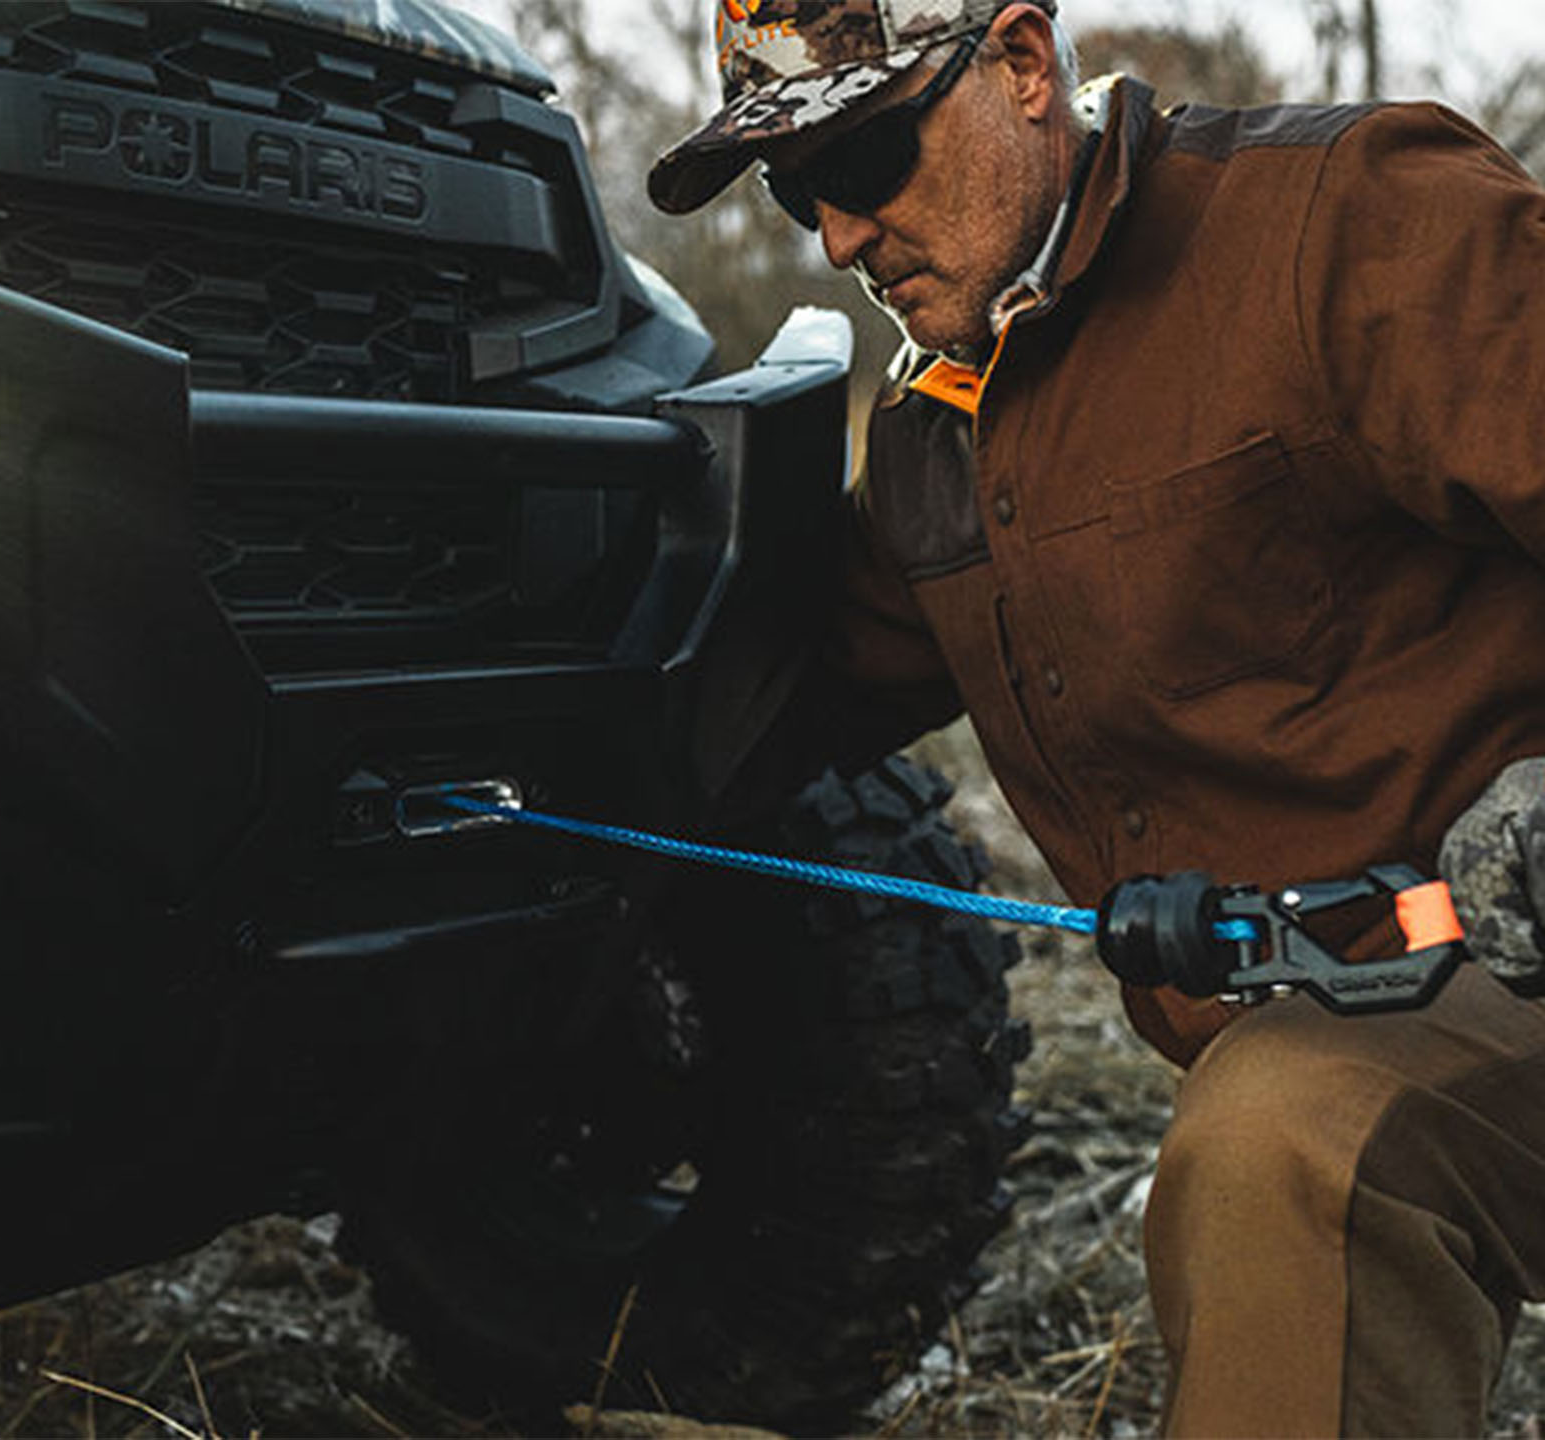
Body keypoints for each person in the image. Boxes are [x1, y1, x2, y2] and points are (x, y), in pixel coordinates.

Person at [648, 0, 1545, 1433]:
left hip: (1505, 975)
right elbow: (774, 708)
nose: (836, 237)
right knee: (1277, 1111)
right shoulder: (938, 439)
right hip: (1329, 1033)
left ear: (1019, 65)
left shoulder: (1348, 218)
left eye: (868, 154)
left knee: (1283, 1138)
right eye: (790, 187)